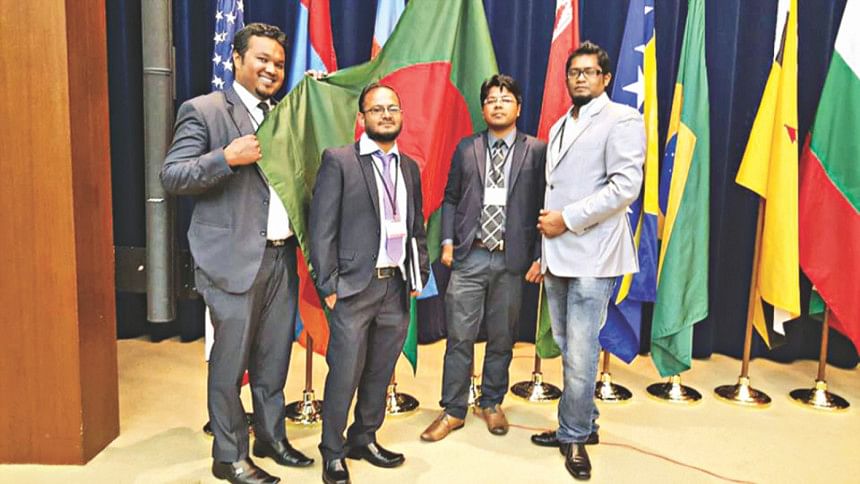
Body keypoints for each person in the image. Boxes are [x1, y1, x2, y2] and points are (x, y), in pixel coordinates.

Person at [160, 23, 314, 484]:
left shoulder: (284, 114)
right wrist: (226, 158)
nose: (272, 69)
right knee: (230, 364)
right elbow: (173, 176)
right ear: (237, 59)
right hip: (230, 260)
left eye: (279, 63)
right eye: (262, 59)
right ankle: (228, 456)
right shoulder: (204, 110)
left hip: (281, 258)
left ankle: (270, 437)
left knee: (273, 358)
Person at [532, 41, 644, 481]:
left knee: (580, 352)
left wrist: (567, 219)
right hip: (558, 253)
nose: (579, 78)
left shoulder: (622, 119)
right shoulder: (561, 124)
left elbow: (625, 187)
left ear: (606, 78)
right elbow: (555, 189)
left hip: (593, 255)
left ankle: (574, 435)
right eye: (574, 72)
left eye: (589, 71)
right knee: (568, 344)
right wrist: (548, 241)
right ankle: (585, 421)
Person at [309, 82, 429, 484]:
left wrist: (419, 272)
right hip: (353, 288)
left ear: (401, 115)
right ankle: (332, 451)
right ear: (362, 118)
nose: (386, 115)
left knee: (380, 370)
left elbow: (416, 226)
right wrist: (329, 285)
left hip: (396, 286)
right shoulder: (339, 161)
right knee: (345, 371)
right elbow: (321, 228)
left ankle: (364, 438)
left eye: (392, 108)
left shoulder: (408, 167)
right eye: (376, 109)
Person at [421, 74, 546, 442]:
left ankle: (491, 402)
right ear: (483, 108)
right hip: (470, 256)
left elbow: (545, 204)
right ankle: (453, 409)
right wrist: (447, 241)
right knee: (459, 336)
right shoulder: (467, 148)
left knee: (502, 337)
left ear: (518, 108)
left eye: (506, 99)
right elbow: (450, 198)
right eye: (491, 99)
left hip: (512, 258)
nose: (498, 105)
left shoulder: (536, 151)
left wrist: (539, 256)